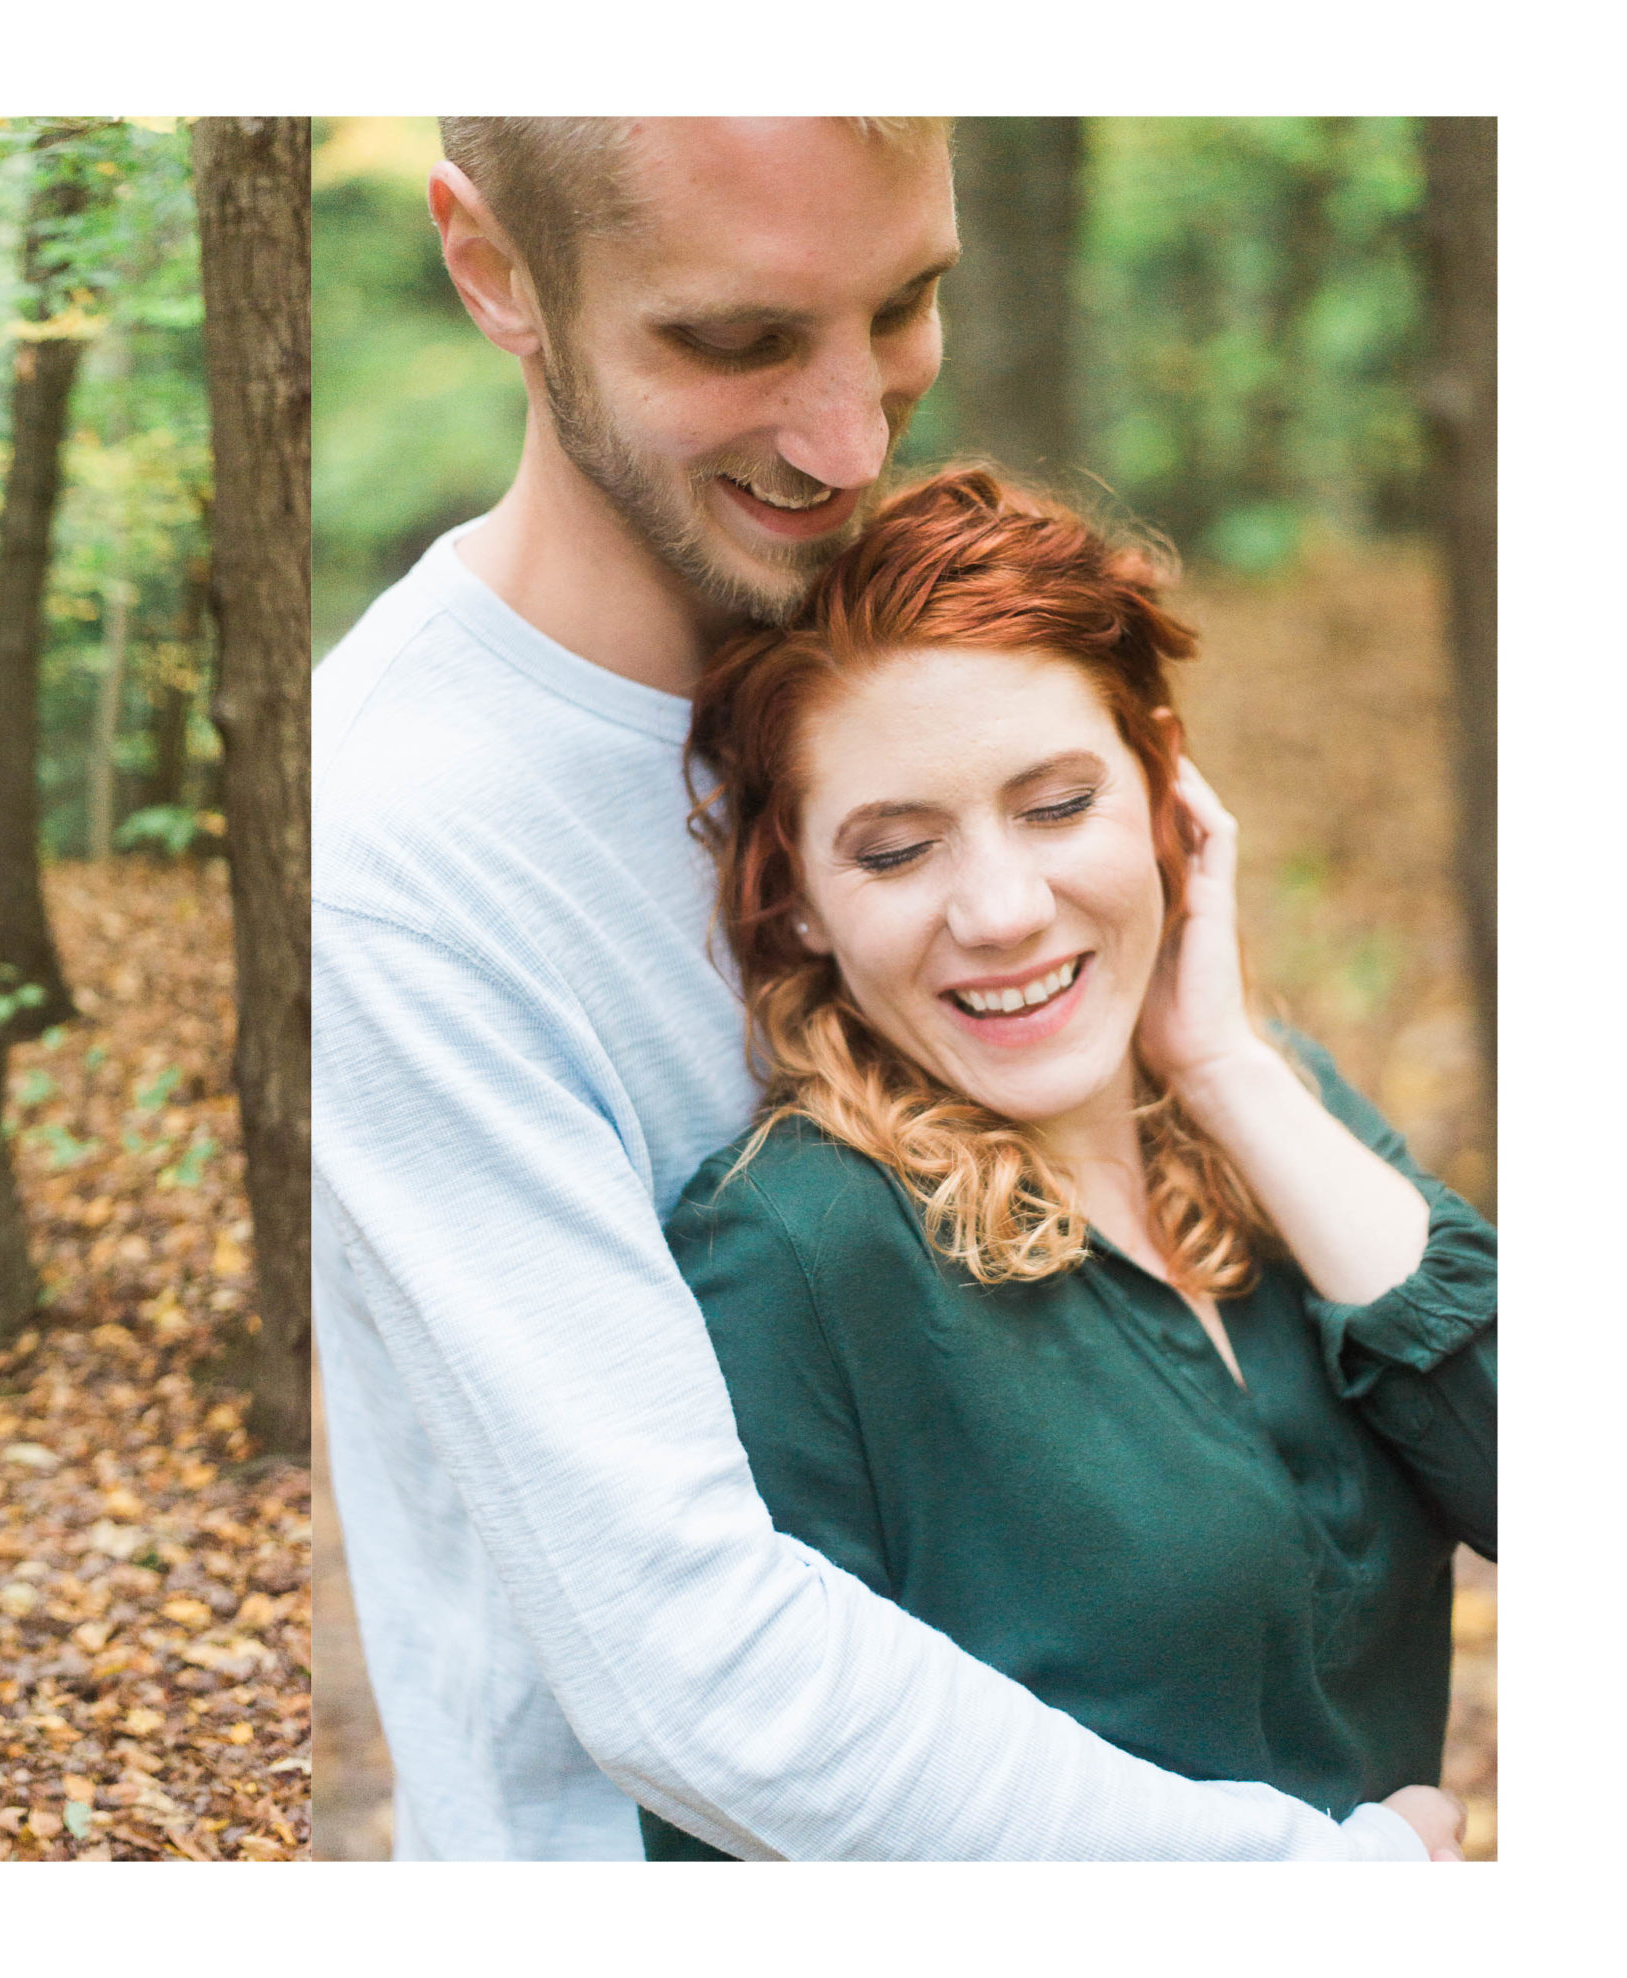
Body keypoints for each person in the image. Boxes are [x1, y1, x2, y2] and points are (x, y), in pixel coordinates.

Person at [312, 117, 1466, 1858]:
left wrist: (1221, 1063)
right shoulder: (395, 845)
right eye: (739, 338)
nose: (849, 434)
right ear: (494, 271)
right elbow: (698, 1657)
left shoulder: (893, 657)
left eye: (906, 302)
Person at [641, 466, 1494, 1858]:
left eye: (1055, 806)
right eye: (898, 849)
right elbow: (742, 1826)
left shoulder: (1279, 1105)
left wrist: (1224, 1071)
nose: (1000, 910)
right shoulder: (797, 1250)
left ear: (1165, 791)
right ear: (793, 898)